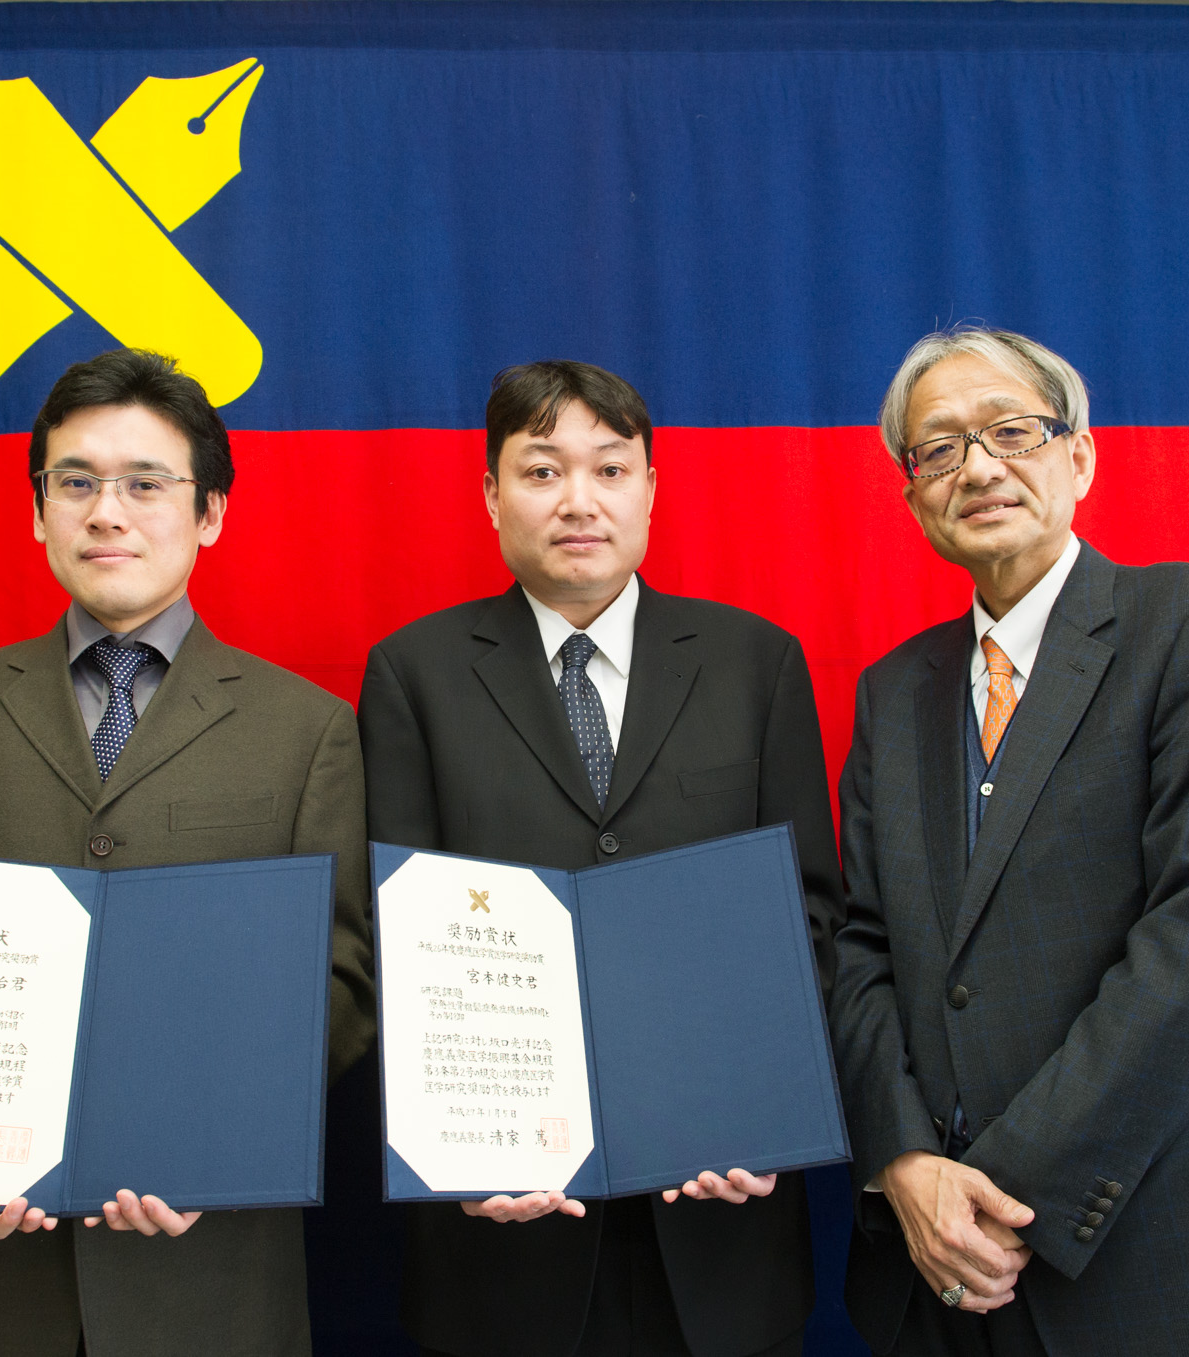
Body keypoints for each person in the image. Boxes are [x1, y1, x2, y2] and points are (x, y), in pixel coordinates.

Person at [0, 348, 375, 1357]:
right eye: (76, 482)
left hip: (201, 1267)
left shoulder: (306, 728)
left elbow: (339, 977)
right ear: (37, 509)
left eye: (145, 483)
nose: (106, 513)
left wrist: (215, 1143)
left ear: (210, 512)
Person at [829, 326, 1189, 1357]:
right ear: (913, 495)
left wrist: (1003, 1187)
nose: (978, 467)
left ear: (1080, 455)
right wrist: (904, 1162)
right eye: (939, 448)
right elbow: (862, 945)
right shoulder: (892, 692)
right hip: (937, 1265)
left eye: (1011, 430)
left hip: (1157, 1240)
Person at [358, 360, 843, 1357]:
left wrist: (760, 1106)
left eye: (610, 469)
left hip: (721, 1218)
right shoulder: (413, 673)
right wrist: (457, 1143)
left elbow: (810, 915)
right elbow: (396, 934)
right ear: (490, 493)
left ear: (650, 488)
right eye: (541, 471)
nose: (578, 500)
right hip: (504, 1234)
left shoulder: (756, 662)